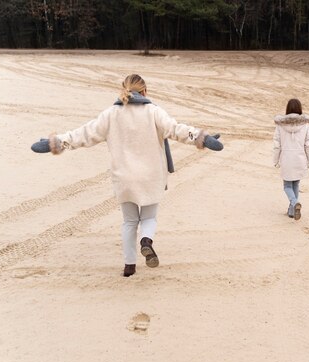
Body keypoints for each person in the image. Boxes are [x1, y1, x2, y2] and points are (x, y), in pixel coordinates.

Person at [32, 74, 221, 277]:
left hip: (124, 178)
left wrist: (58, 142)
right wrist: (202, 138)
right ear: (145, 91)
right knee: (149, 217)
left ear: (123, 89)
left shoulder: (111, 114)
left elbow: (84, 134)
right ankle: (146, 241)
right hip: (151, 176)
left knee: (130, 222)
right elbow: (176, 130)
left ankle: (129, 266)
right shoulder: (154, 111)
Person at [272, 98, 309, 220]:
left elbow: (277, 145)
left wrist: (275, 160)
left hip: (286, 158)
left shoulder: (280, 125)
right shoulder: (306, 125)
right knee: (295, 183)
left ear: (288, 109)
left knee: (287, 186)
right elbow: (308, 144)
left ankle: (294, 203)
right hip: (300, 159)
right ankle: (291, 211)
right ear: (300, 109)